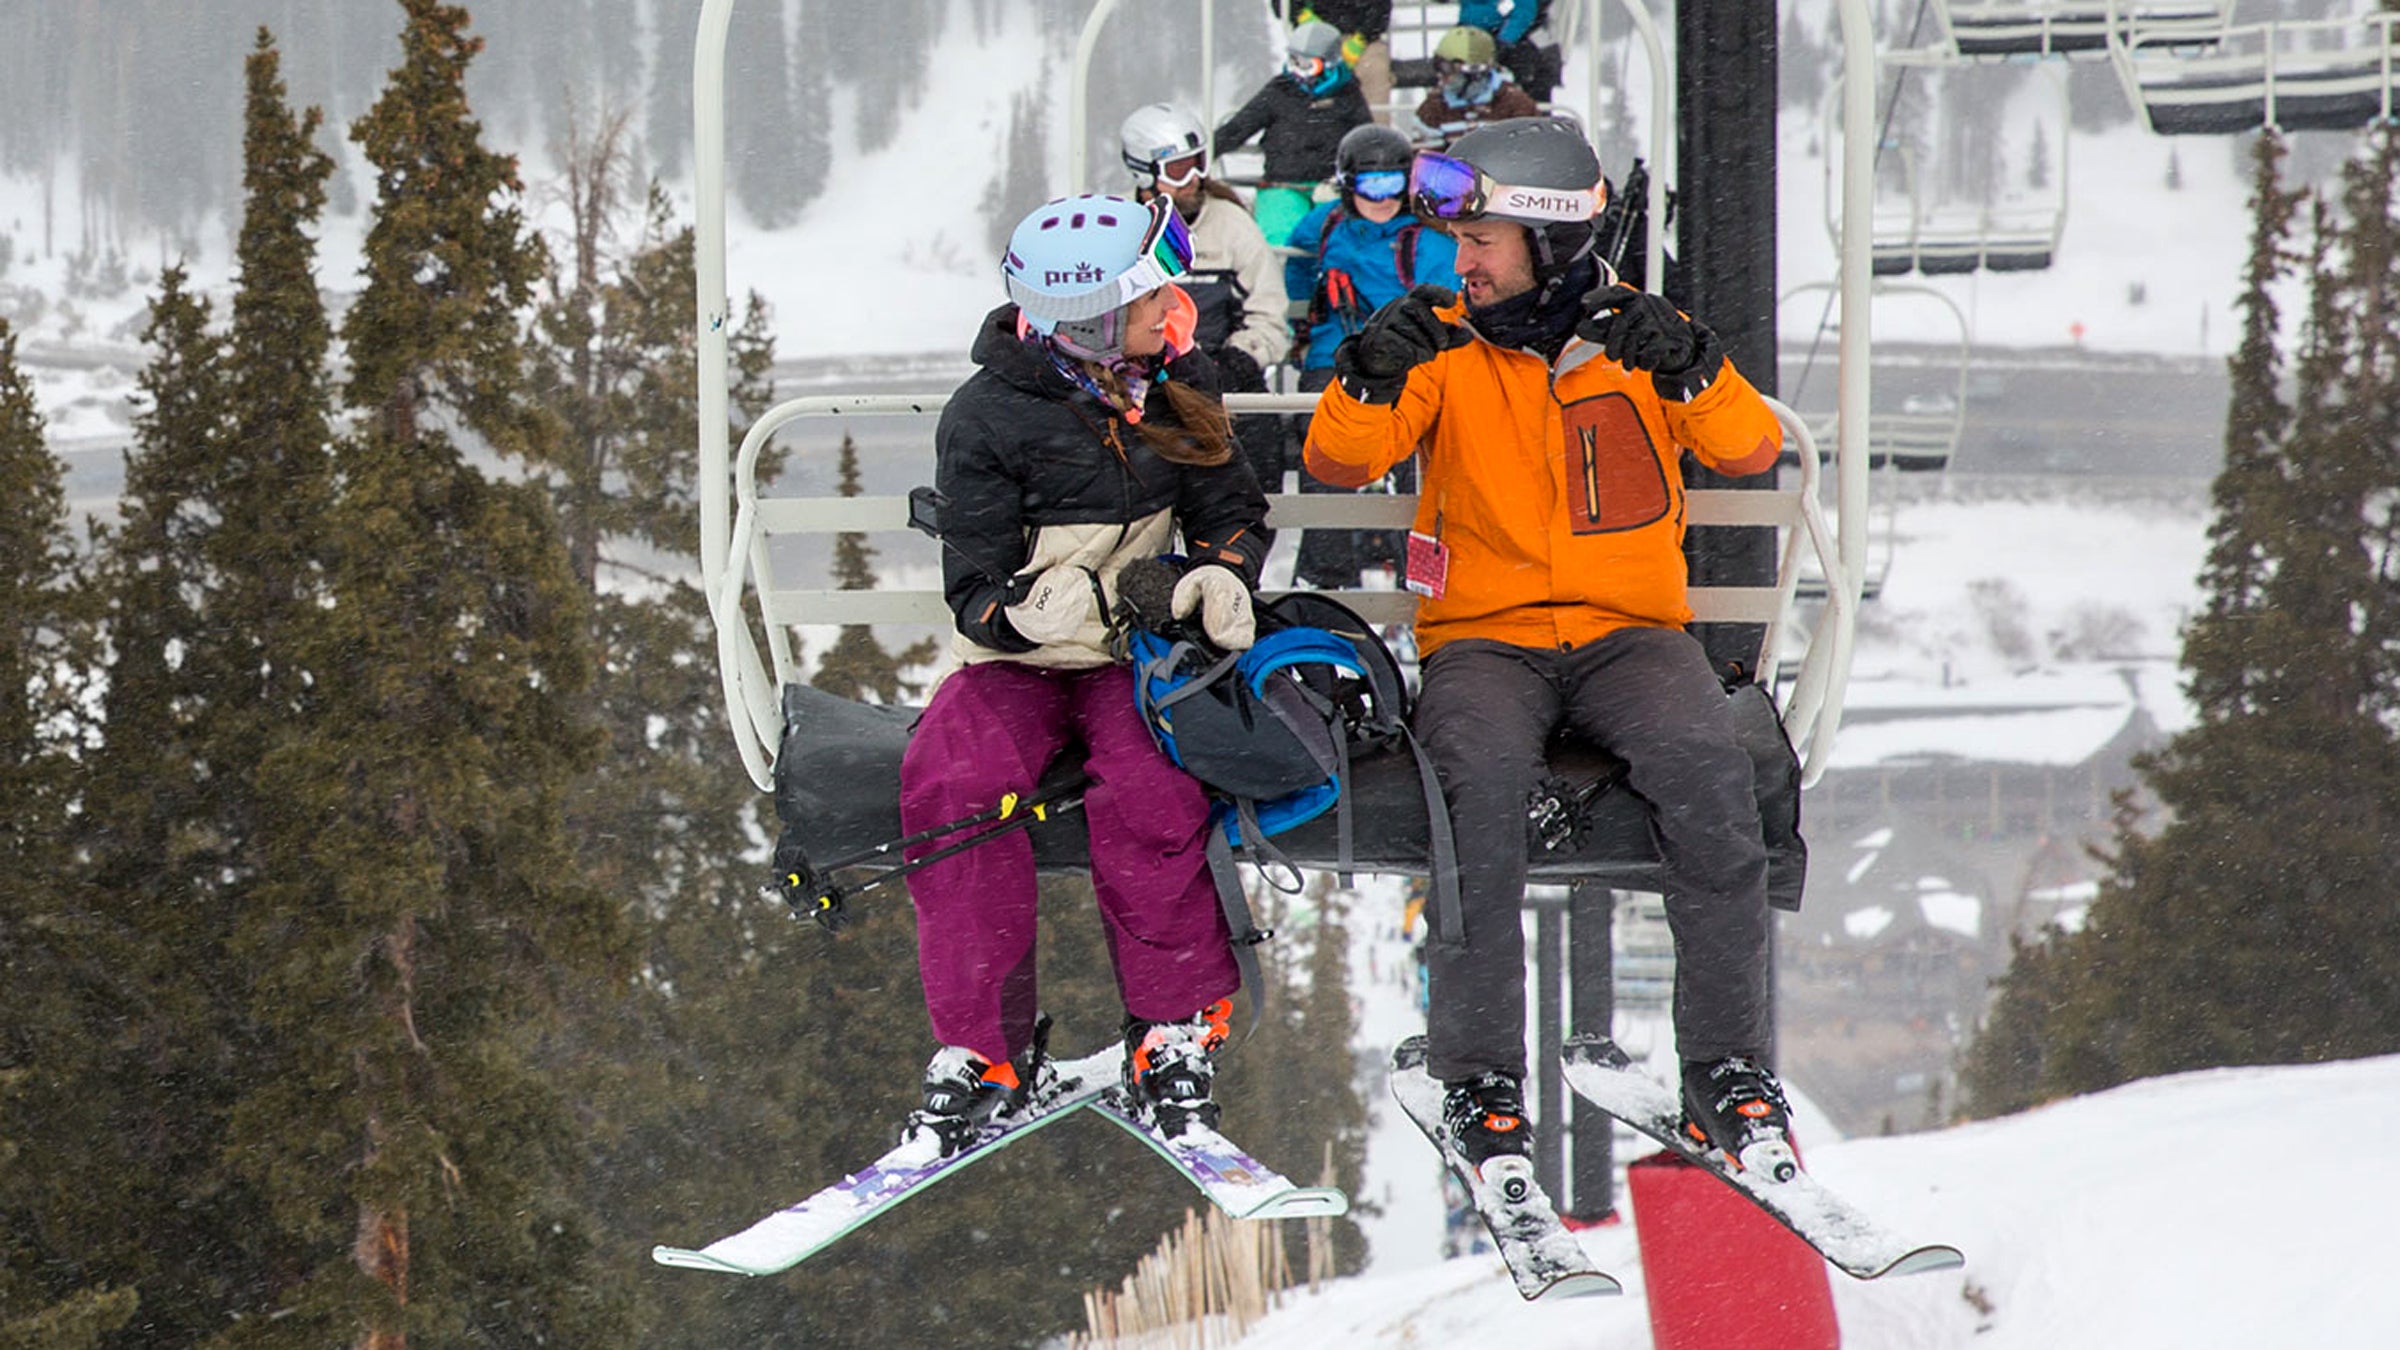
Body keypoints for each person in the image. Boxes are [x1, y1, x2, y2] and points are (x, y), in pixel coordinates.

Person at [1301, 119, 1794, 1184]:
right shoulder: (1441, 343)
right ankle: (1480, 1076)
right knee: (1473, 798)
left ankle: (1730, 1070)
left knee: (1713, 786)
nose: (1461, 260)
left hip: (1631, 640)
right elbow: (1338, 460)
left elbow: (1750, 447)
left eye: (1481, 238)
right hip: (1486, 643)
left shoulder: (1636, 339)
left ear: (1548, 236)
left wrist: (1698, 366)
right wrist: (1368, 372)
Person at [899, 193, 1273, 1157]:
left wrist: (1222, 576)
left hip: (1126, 656)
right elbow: (972, 588)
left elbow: (1229, 509)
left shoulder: (1175, 387)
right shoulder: (987, 416)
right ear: (1096, 320)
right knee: (956, 784)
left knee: (1151, 786)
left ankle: (1172, 1024)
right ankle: (983, 1050)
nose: (1174, 315)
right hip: (1018, 664)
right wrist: (1020, 612)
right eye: (1155, 301)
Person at [1282, 123, 1458, 588]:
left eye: (1393, 184)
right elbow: (1297, 271)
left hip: (1409, 361)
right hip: (1336, 352)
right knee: (1323, 439)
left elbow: (1451, 306)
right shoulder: (1326, 227)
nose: (1382, 198)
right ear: (1347, 184)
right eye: (1369, 184)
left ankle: (1413, 569)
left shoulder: (1428, 242)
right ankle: (1326, 567)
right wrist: (1304, 324)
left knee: (1410, 447)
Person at [1120, 103, 1292, 491]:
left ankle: (1242, 526)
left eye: (1198, 164)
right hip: (1139, 376)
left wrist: (1240, 357)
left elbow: (1269, 308)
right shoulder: (1121, 228)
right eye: (1178, 170)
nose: (1193, 180)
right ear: (1143, 174)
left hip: (1219, 375)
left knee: (1254, 442)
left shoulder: (1231, 226)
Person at [1214, 19, 1371, 246]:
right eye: (1294, 61)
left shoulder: (1347, 96)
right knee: (1279, 239)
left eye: (1308, 65)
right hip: (1283, 185)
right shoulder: (1280, 91)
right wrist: (1204, 152)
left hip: (1329, 188)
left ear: (1329, 63)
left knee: (1337, 240)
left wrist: (1347, 182)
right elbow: (1238, 127)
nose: (1298, 71)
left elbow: (1365, 141)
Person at [1413, 24, 1541, 147]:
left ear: (1474, 74)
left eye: (1447, 69)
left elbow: (1531, 154)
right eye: (1437, 67)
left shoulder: (1515, 105)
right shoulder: (1433, 108)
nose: (1440, 76)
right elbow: (1426, 160)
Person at [1298, 1, 1394, 125]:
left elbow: (1381, 8)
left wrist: (1362, 38)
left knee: (1374, 71)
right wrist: (1301, 14)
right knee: (1317, 79)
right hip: (1315, 38)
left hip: (1365, 40)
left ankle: (1375, 136)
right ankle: (1321, 133)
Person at [1457, 0, 1562, 103]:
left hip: (1517, 34)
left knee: (1530, 71)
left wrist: (1504, 40)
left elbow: (1524, 11)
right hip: (1473, 32)